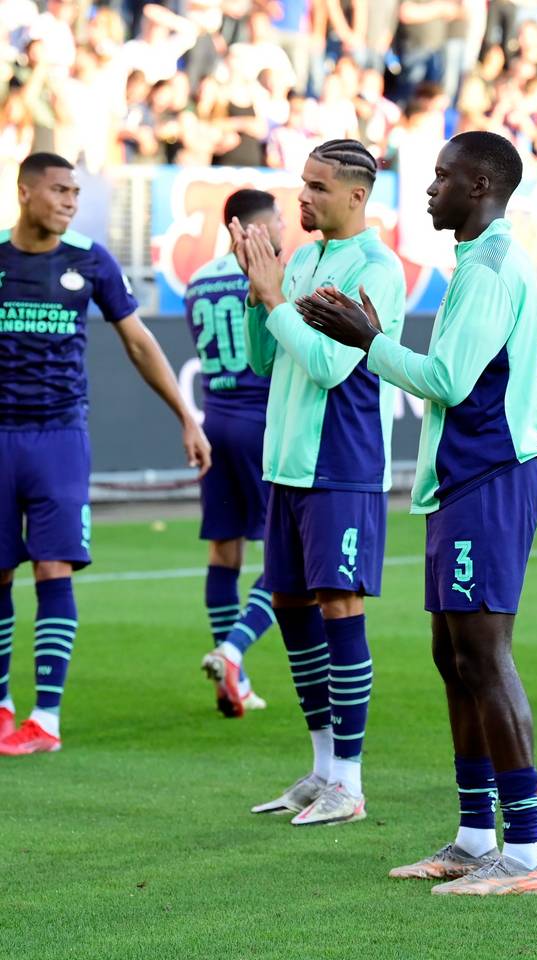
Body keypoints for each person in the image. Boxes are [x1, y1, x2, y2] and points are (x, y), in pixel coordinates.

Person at [299, 131, 537, 893]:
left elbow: (445, 379)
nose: (429, 189)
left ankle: (527, 854)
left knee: (484, 656)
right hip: (462, 482)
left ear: (479, 185)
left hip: (491, 479)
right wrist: (373, 338)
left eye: (442, 177)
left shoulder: (493, 268)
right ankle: (477, 836)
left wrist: (370, 341)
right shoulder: (473, 263)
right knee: (455, 659)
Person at [0, 152, 211, 756]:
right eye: (59, 190)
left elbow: (140, 343)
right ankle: (2, 707)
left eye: (75, 191)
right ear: (24, 192)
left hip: (60, 437)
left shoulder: (88, 259)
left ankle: (45, 717)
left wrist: (186, 417)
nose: (70, 200)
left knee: (53, 566)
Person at [234, 139, 406, 826]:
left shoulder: (378, 268)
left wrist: (276, 297)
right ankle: (321, 770)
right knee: (294, 607)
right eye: (301, 183)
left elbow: (333, 367)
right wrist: (259, 295)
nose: (301, 197)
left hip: (342, 463)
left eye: (317, 186)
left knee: (339, 608)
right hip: (287, 464)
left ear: (356, 196)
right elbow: (261, 358)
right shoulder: (303, 260)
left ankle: (351, 783)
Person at [189, 189, 283, 719]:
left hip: (215, 418)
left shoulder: (199, 279)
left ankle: (237, 680)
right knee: (287, 553)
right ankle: (233, 650)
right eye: (277, 223)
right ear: (251, 227)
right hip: (261, 421)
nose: (284, 233)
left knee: (223, 551)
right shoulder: (271, 272)